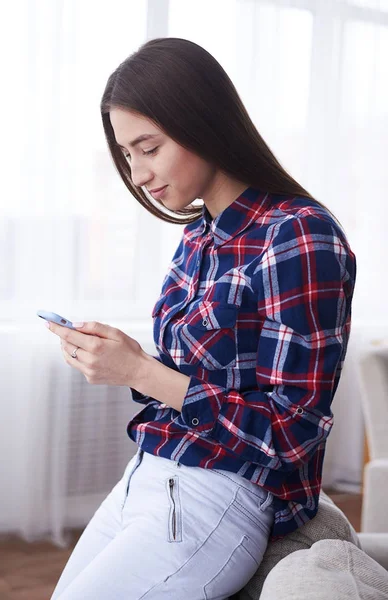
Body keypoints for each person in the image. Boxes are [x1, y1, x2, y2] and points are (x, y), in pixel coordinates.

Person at [49, 37, 356, 599]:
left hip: (218, 494)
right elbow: (203, 376)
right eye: (127, 155)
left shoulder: (298, 235)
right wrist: (131, 358)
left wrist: (142, 373)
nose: (138, 174)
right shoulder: (199, 234)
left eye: (149, 147)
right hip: (148, 473)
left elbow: (293, 432)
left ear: (204, 124)